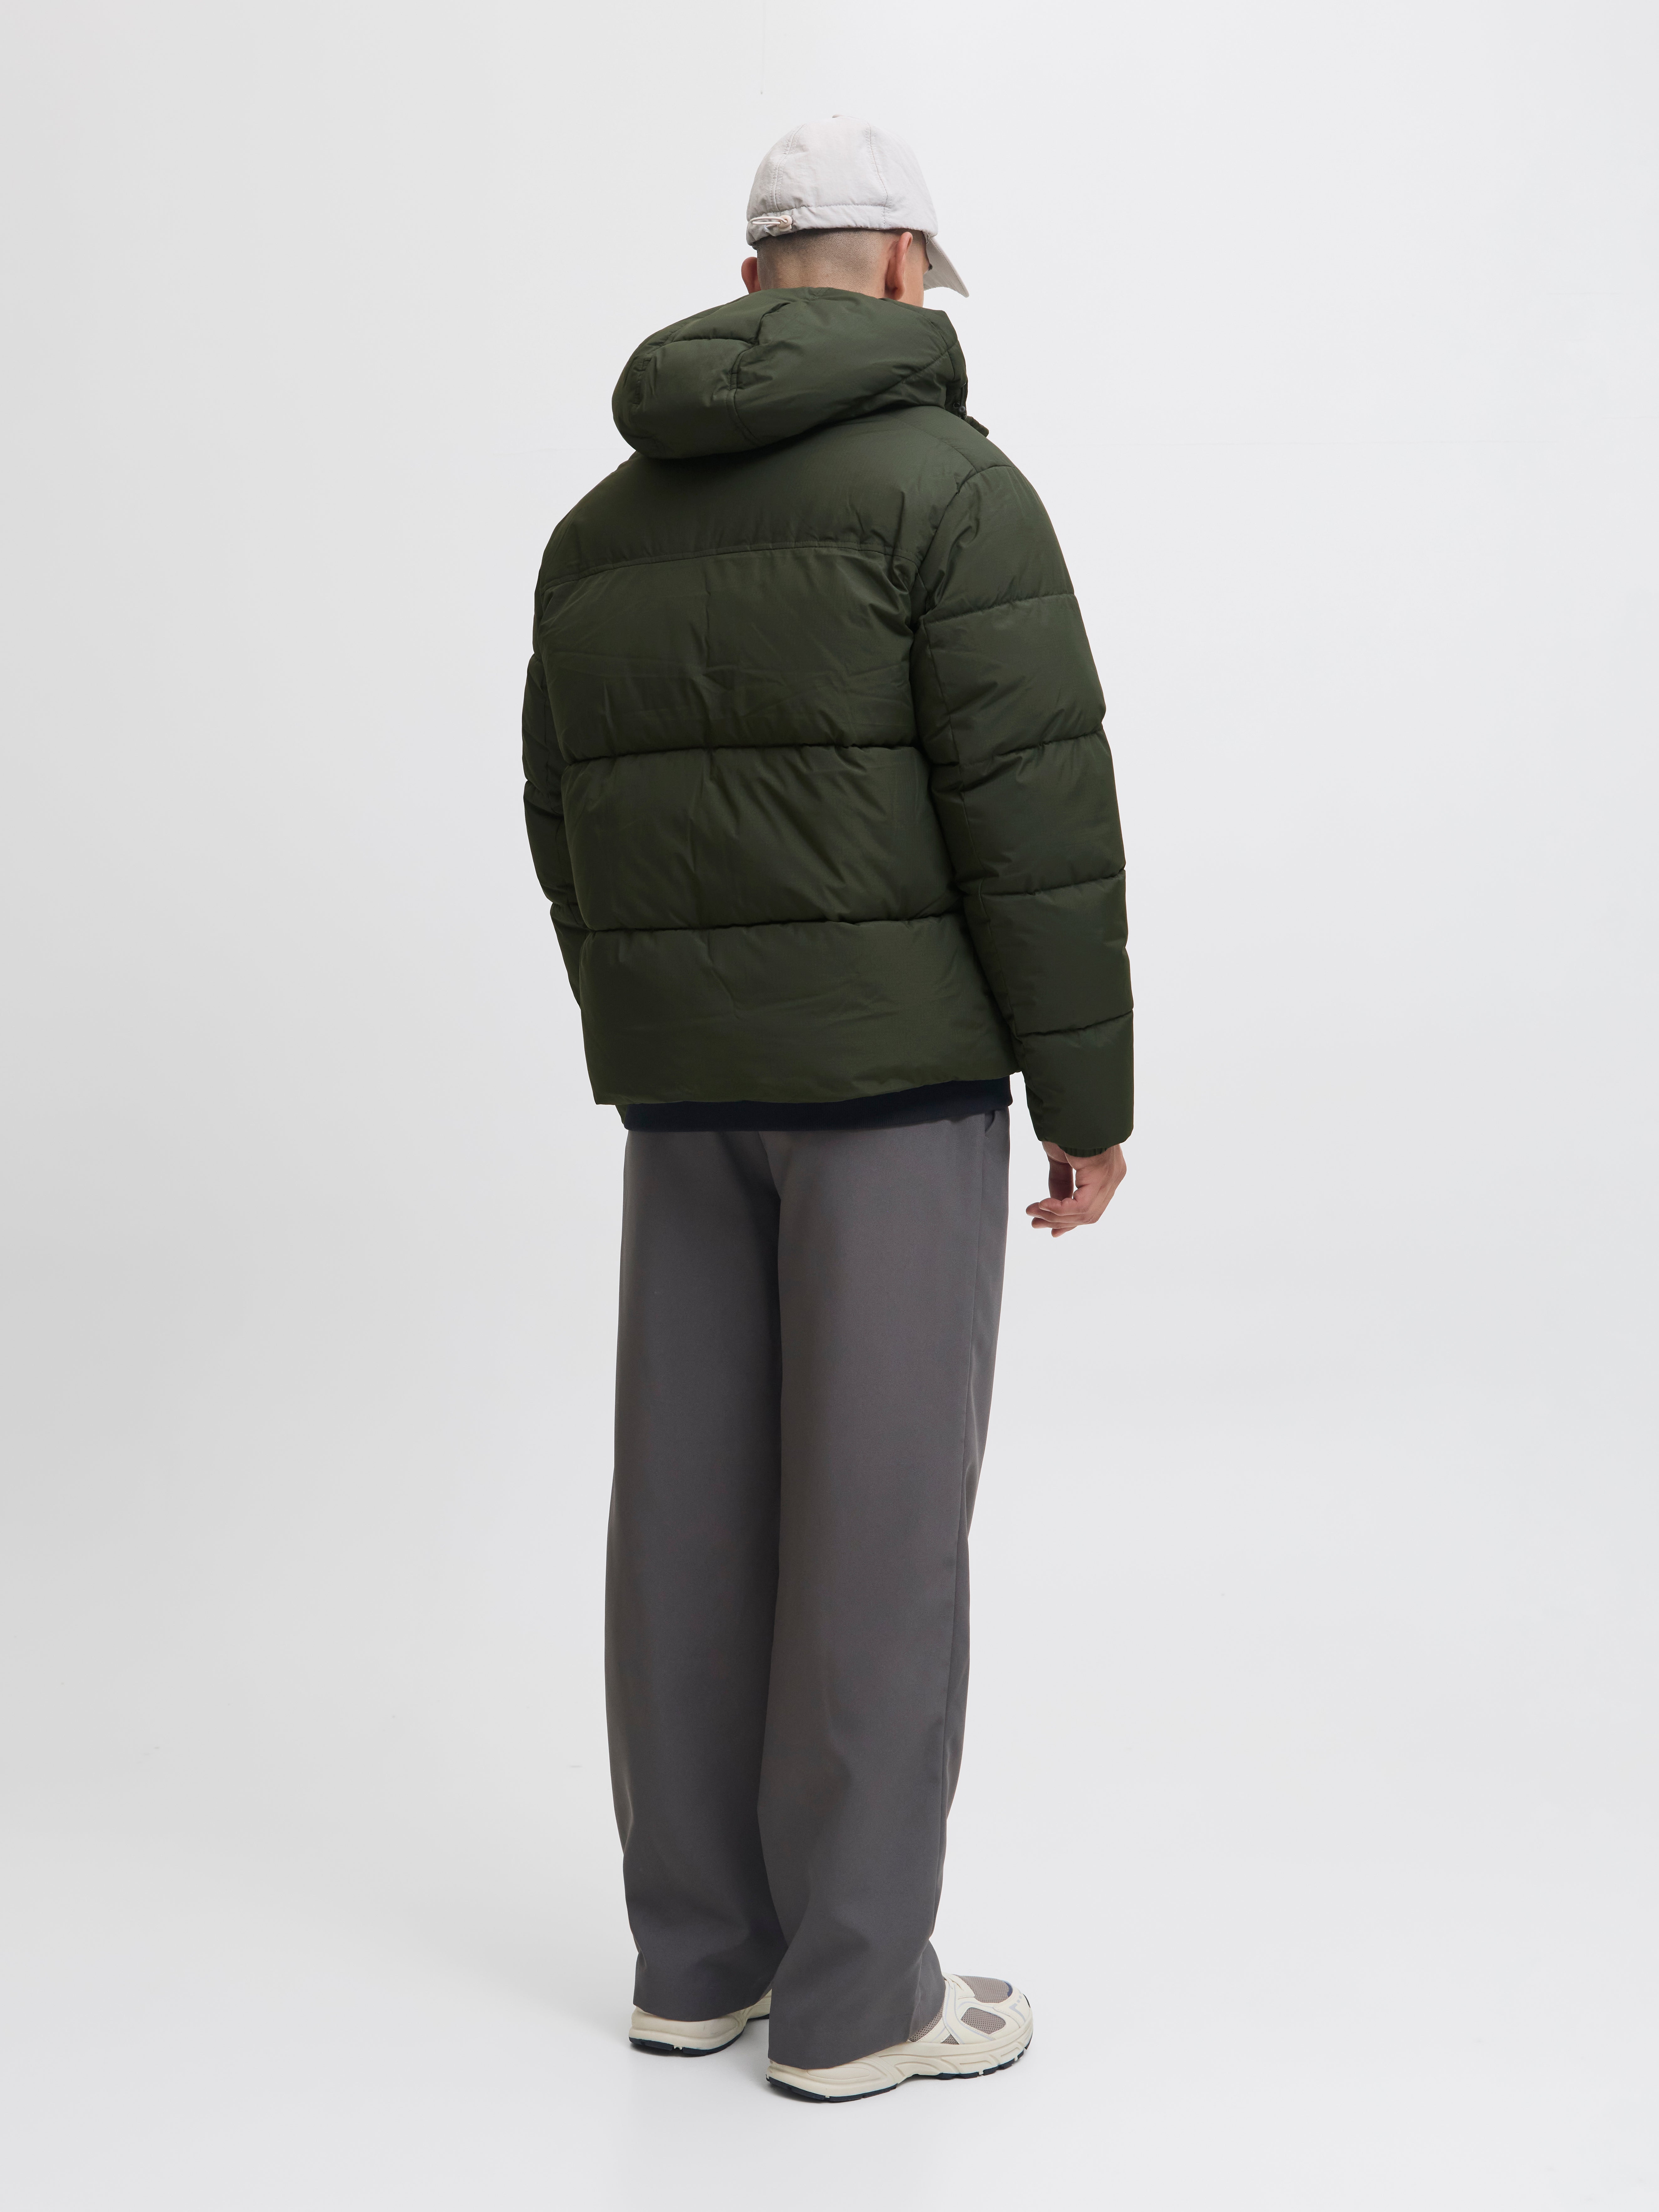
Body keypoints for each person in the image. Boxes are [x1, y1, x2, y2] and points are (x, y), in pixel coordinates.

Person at [521, 115, 1132, 2103]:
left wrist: (656, 1019)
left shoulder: (601, 527)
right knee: (873, 1539)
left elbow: (561, 818)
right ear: (897, 268)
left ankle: (696, 1960)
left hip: (684, 1096)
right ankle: (857, 2001)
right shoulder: (951, 491)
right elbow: (1034, 814)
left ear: (752, 272)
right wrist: (1085, 1095)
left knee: (686, 1527)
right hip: (887, 1094)